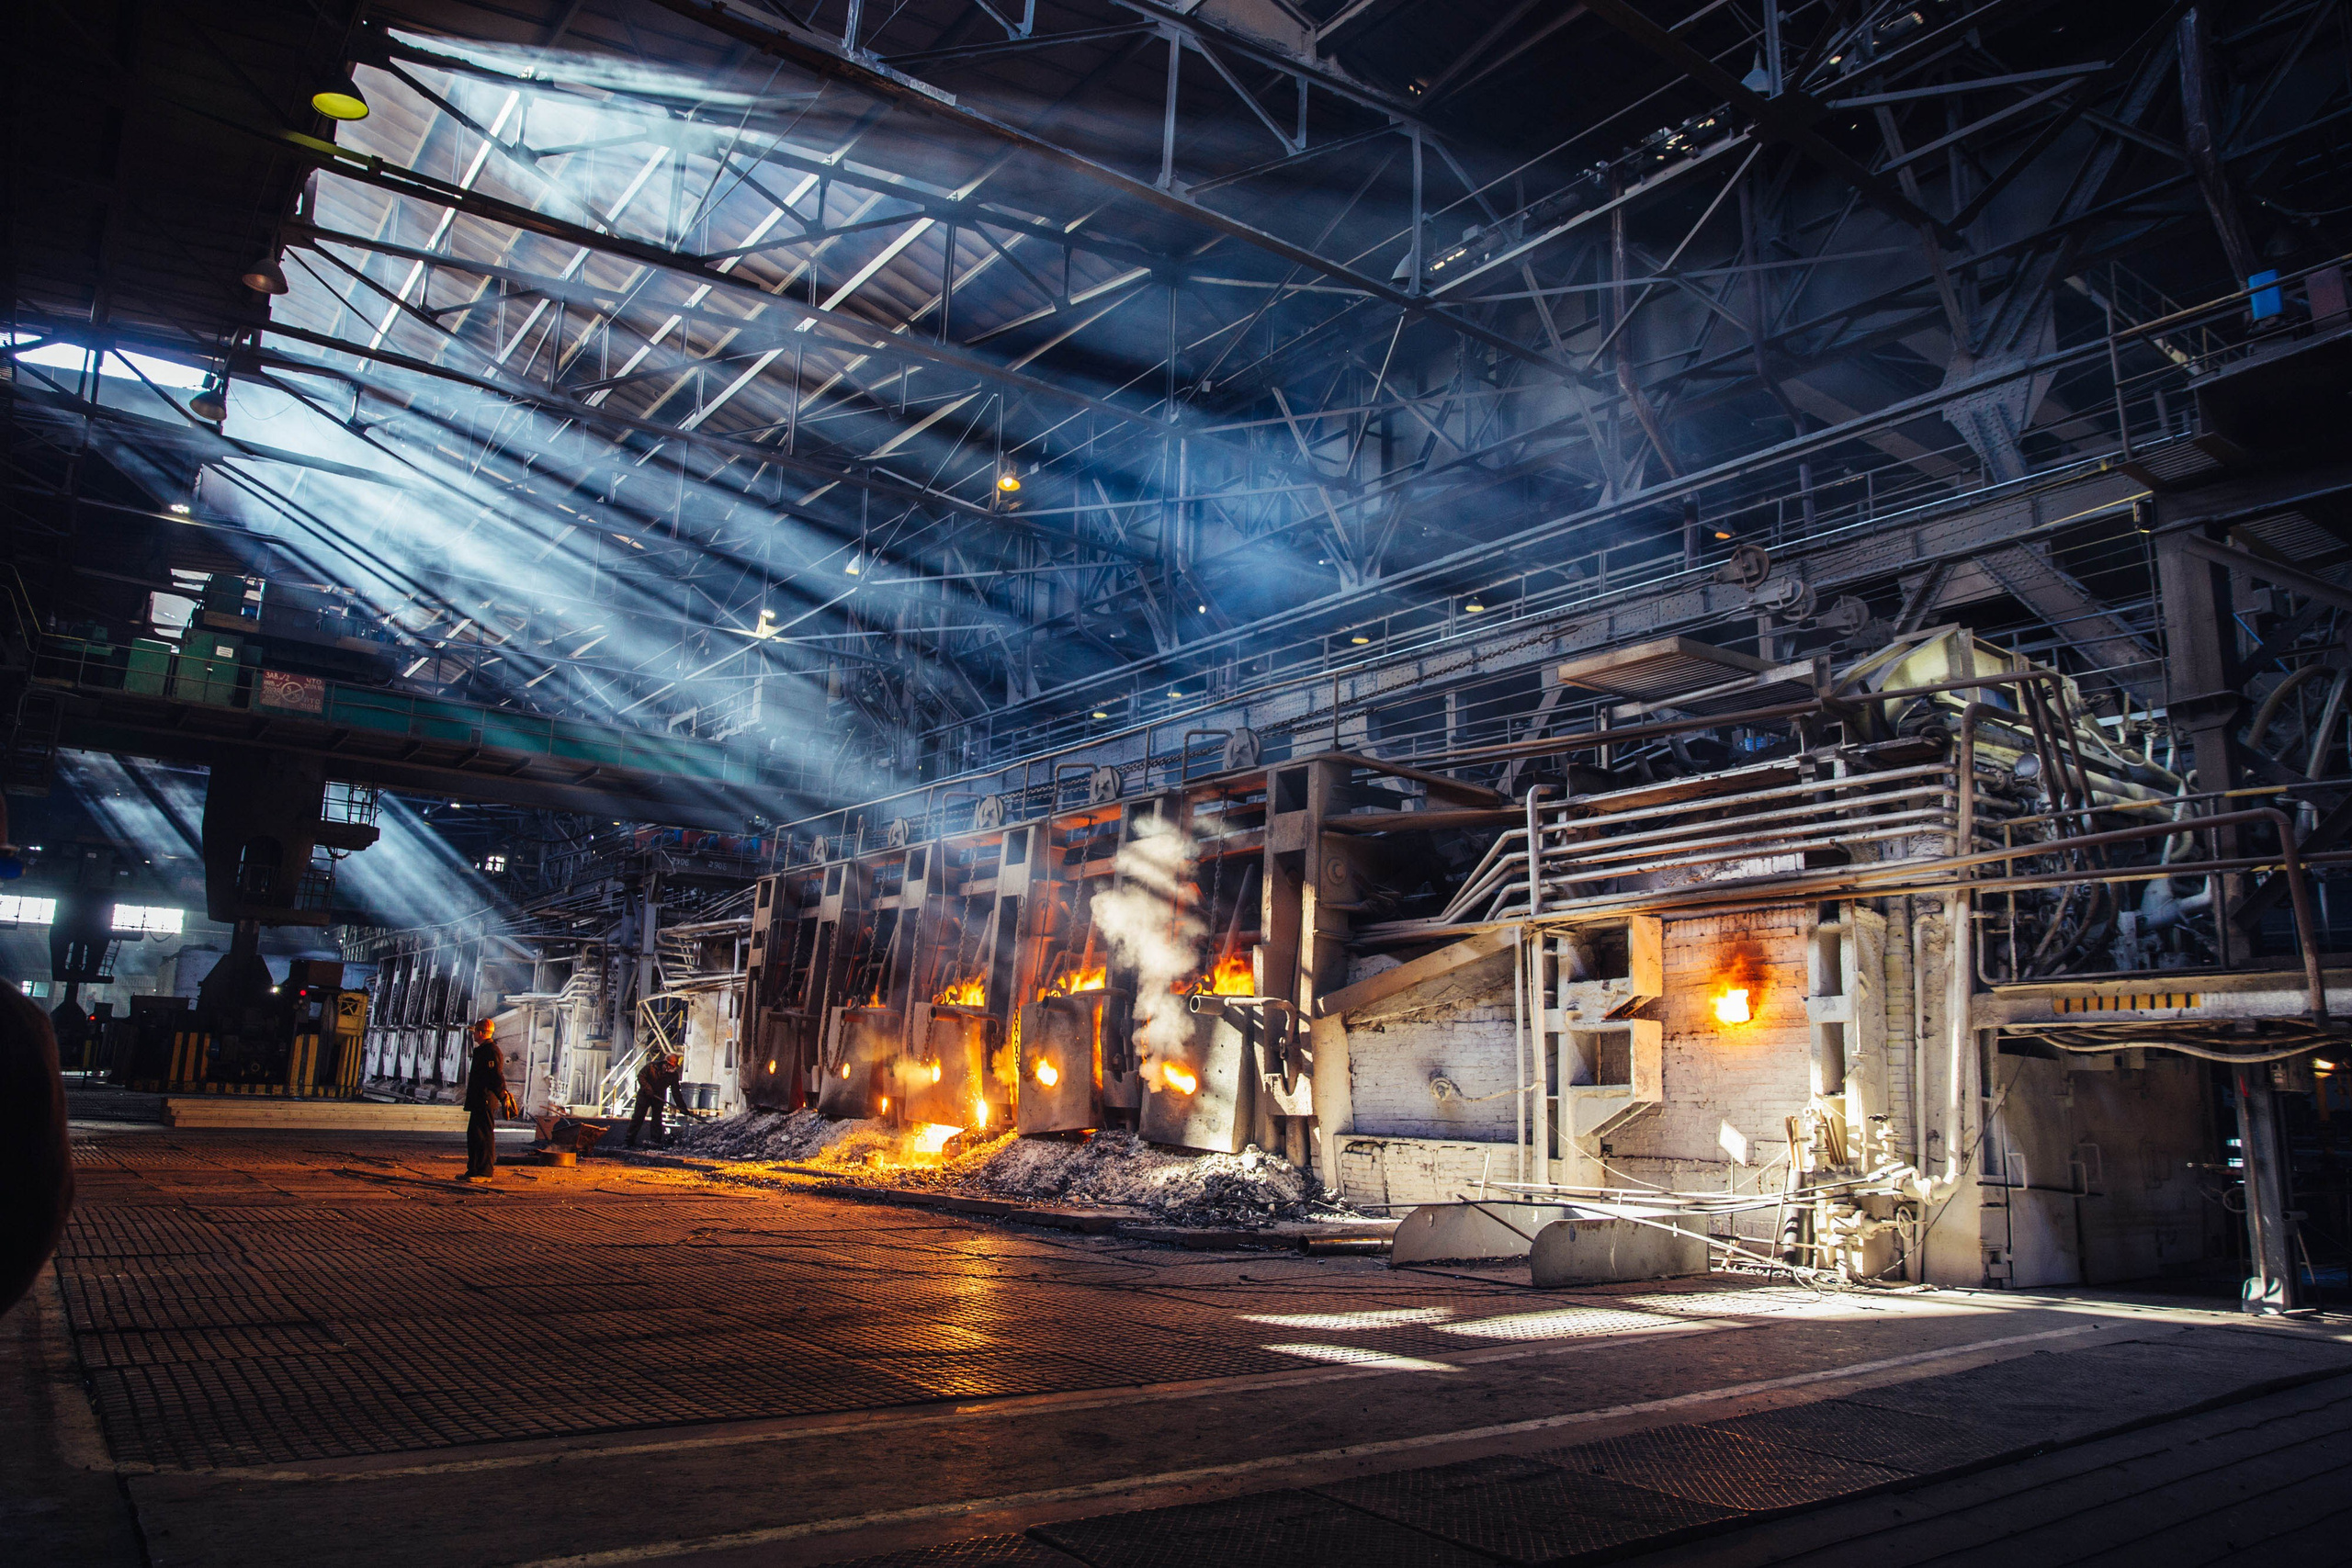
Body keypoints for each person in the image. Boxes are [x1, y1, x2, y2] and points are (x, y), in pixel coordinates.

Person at [461, 1019, 509, 1181]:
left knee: (485, 1136)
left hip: (485, 1100)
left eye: (475, 1031)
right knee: (474, 1135)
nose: (473, 1034)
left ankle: (485, 1172)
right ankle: (473, 1169)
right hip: (478, 1100)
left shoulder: (491, 1051)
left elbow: (495, 1077)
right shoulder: (482, 1050)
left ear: (481, 1033)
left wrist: (503, 1097)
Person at [627, 1046, 685, 1147]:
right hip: (645, 1095)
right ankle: (628, 1141)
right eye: (671, 1067)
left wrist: (682, 1107)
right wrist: (647, 1088)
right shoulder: (651, 1067)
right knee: (638, 1117)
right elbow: (641, 1076)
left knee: (657, 1120)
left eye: (673, 1067)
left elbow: (676, 1092)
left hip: (658, 1097)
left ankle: (655, 1142)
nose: (672, 1069)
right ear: (665, 1064)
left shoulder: (673, 1075)